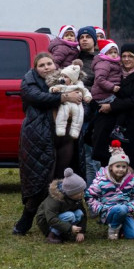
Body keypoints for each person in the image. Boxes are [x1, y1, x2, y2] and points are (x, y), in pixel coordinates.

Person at [14, 53, 83, 235]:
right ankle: (26, 221)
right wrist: (64, 98)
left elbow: (80, 92)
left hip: (65, 136)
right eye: (42, 65)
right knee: (40, 181)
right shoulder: (29, 82)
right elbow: (37, 98)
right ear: (35, 68)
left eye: (49, 63)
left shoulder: (64, 77)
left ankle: (64, 222)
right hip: (39, 137)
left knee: (62, 178)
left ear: (55, 64)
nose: (46, 67)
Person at [90, 43, 134, 171]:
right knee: (106, 161)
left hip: (128, 125)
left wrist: (111, 106)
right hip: (107, 123)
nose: (127, 59)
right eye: (124, 56)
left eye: (131, 56)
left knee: (125, 163)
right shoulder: (115, 71)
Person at [85, 144, 134, 240]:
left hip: (126, 211)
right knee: (120, 209)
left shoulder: (132, 180)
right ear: (111, 167)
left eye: (124, 167)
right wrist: (100, 208)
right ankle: (113, 228)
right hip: (108, 211)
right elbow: (89, 196)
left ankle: (120, 228)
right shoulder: (101, 180)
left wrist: (131, 207)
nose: (121, 169)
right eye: (118, 166)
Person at [36, 169, 88, 244]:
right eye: (79, 192)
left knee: (80, 213)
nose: (82, 194)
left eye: (82, 191)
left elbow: (83, 214)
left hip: (62, 218)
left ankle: (64, 233)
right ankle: (52, 235)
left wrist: (81, 231)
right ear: (70, 192)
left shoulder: (76, 198)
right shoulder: (55, 199)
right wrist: (70, 228)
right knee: (70, 215)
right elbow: (51, 219)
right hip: (46, 223)